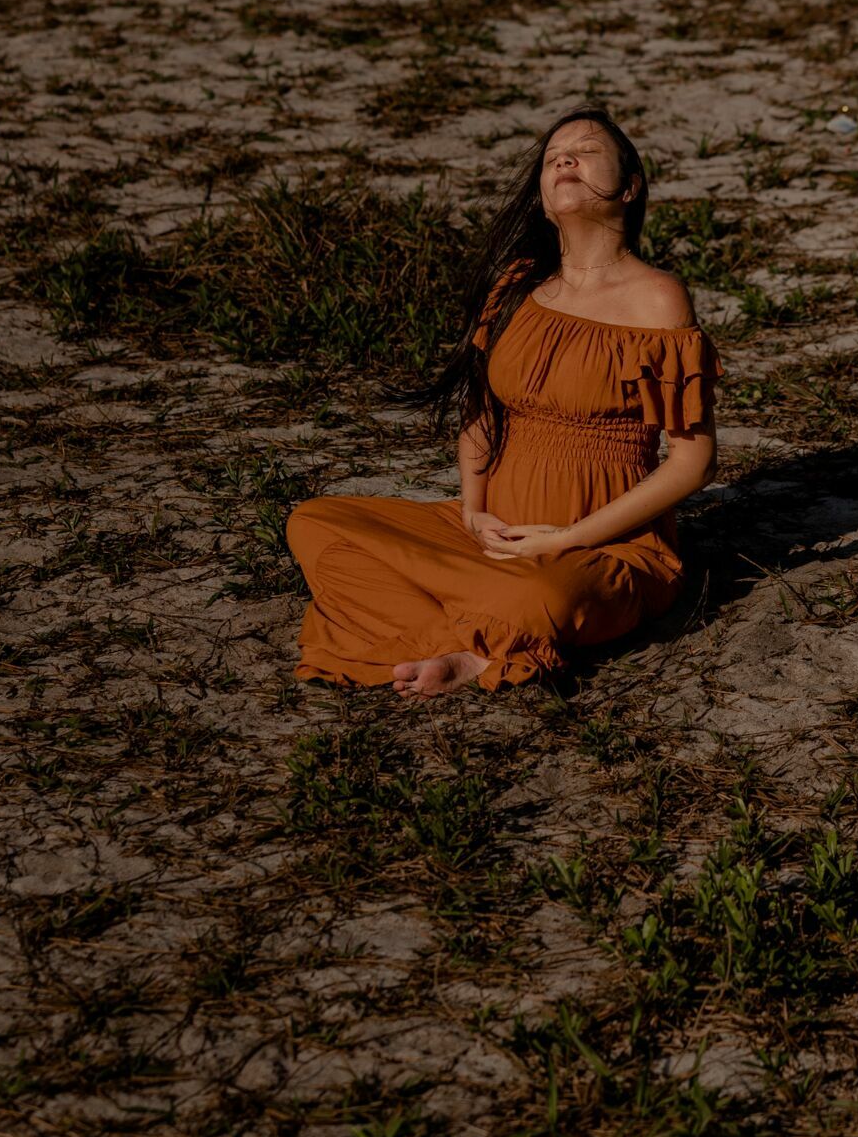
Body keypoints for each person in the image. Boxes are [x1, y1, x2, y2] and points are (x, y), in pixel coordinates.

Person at [285, 106, 726, 699]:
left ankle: (469, 643)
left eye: (587, 151)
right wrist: (472, 512)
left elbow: (693, 463)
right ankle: (473, 639)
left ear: (630, 187)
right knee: (315, 523)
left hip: (599, 548)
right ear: (543, 200)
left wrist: (563, 541)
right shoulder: (517, 286)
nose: (565, 160)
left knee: (543, 596)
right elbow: (482, 411)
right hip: (490, 533)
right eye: (553, 158)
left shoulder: (658, 298)